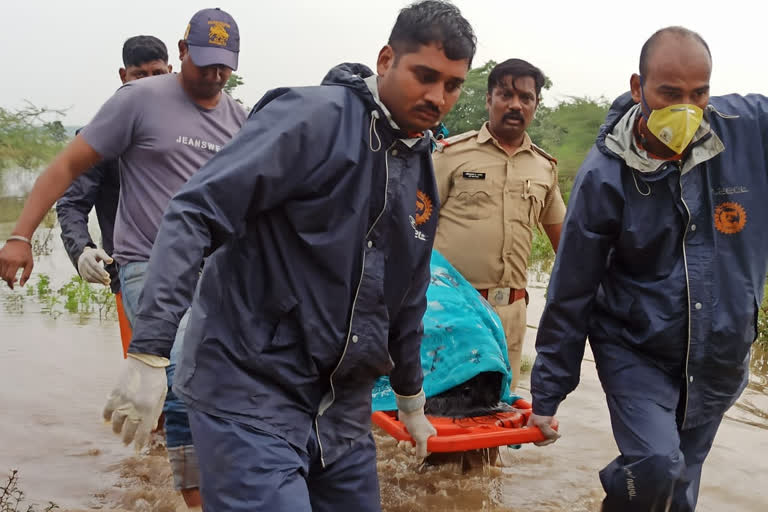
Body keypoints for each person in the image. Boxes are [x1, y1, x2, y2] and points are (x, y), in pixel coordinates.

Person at [98, 1, 475, 509]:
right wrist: (149, 350)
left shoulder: (418, 164)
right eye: (424, 75)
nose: (436, 96)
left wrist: (411, 397)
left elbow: (407, 294)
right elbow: (195, 211)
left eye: (451, 85)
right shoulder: (312, 120)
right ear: (386, 59)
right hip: (250, 389)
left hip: (341, 406)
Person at [0, 8, 246, 509]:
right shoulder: (138, 100)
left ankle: (218, 477)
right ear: (181, 53)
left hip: (215, 270)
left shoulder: (240, 118)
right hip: (144, 262)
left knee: (220, 379)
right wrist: (23, 236)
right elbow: (68, 169)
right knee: (182, 372)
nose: (214, 75)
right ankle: (199, 499)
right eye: (204, 63)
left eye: (225, 66)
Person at [529, 26, 768, 511]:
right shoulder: (605, 174)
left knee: (679, 488)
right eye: (670, 93)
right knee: (659, 463)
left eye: (699, 93)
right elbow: (573, 287)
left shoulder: (746, 131)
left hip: (719, 353)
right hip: (635, 349)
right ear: (639, 88)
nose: (687, 107)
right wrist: (548, 394)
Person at [433, 58, 565, 390]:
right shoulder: (448, 155)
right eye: (505, 94)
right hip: (451, 312)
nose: (516, 104)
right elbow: (411, 229)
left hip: (512, 313)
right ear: (489, 99)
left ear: (536, 104)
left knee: (497, 411)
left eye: (526, 97)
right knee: (442, 413)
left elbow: (565, 241)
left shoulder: (544, 168)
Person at [56, 35, 172, 357]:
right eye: (140, 76)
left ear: (172, 72)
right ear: (123, 76)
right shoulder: (100, 137)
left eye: (158, 75)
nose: (150, 85)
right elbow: (71, 202)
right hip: (134, 275)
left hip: (193, 273)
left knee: (203, 383)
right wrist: (82, 250)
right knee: (148, 385)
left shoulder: (189, 131)